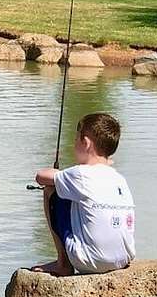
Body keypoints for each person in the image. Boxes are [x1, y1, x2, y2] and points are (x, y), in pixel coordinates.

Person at [32, 113, 135, 276]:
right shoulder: (119, 179)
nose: (74, 146)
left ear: (85, 143)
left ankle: (63, 263)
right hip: (123, 259)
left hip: (92, 261)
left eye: (75, 140)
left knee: (50, 189)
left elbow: (41, 177)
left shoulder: (80, 174)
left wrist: (57, 173)